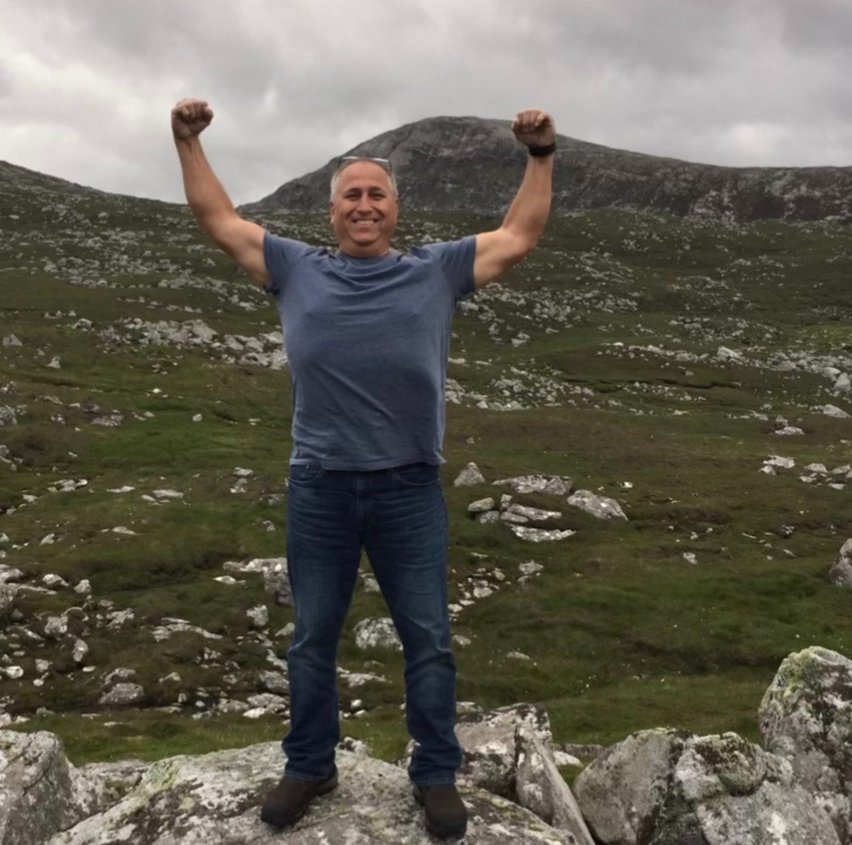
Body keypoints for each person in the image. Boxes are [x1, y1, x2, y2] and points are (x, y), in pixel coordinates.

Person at [172, 97, 554, 840]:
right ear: (332, 211)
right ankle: (310, 763)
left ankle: (435, 773)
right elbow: (219, 220)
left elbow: (518, 235)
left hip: (408, 485)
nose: (364, 204)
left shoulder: (437, 270)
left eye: (377, 193)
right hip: (320, 484)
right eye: (351, 194)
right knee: (313, 638)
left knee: (427, 640)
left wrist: (540, 156)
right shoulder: (293, 268)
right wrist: (186, 141)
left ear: (395, 208)